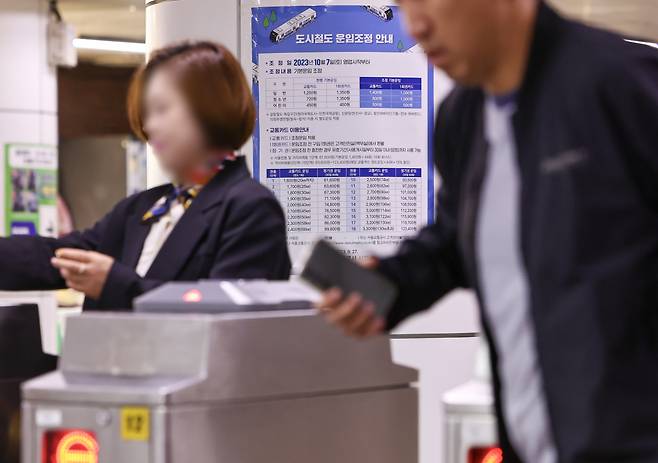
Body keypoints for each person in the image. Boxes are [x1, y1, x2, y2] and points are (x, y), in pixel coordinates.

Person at [318, 0, 658, 461]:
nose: (416, 25)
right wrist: (390, 285)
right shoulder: (463, 119)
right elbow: (454, 242)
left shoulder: (617, 85)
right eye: (401, 5)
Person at [0, 41, 291, 309]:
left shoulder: (249, 206)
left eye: (162, 109)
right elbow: (58, 256)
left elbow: (228, 316)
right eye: (146, 112)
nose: (150, 126)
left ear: (210, 110)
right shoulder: (142, 207)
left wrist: (115, 285)